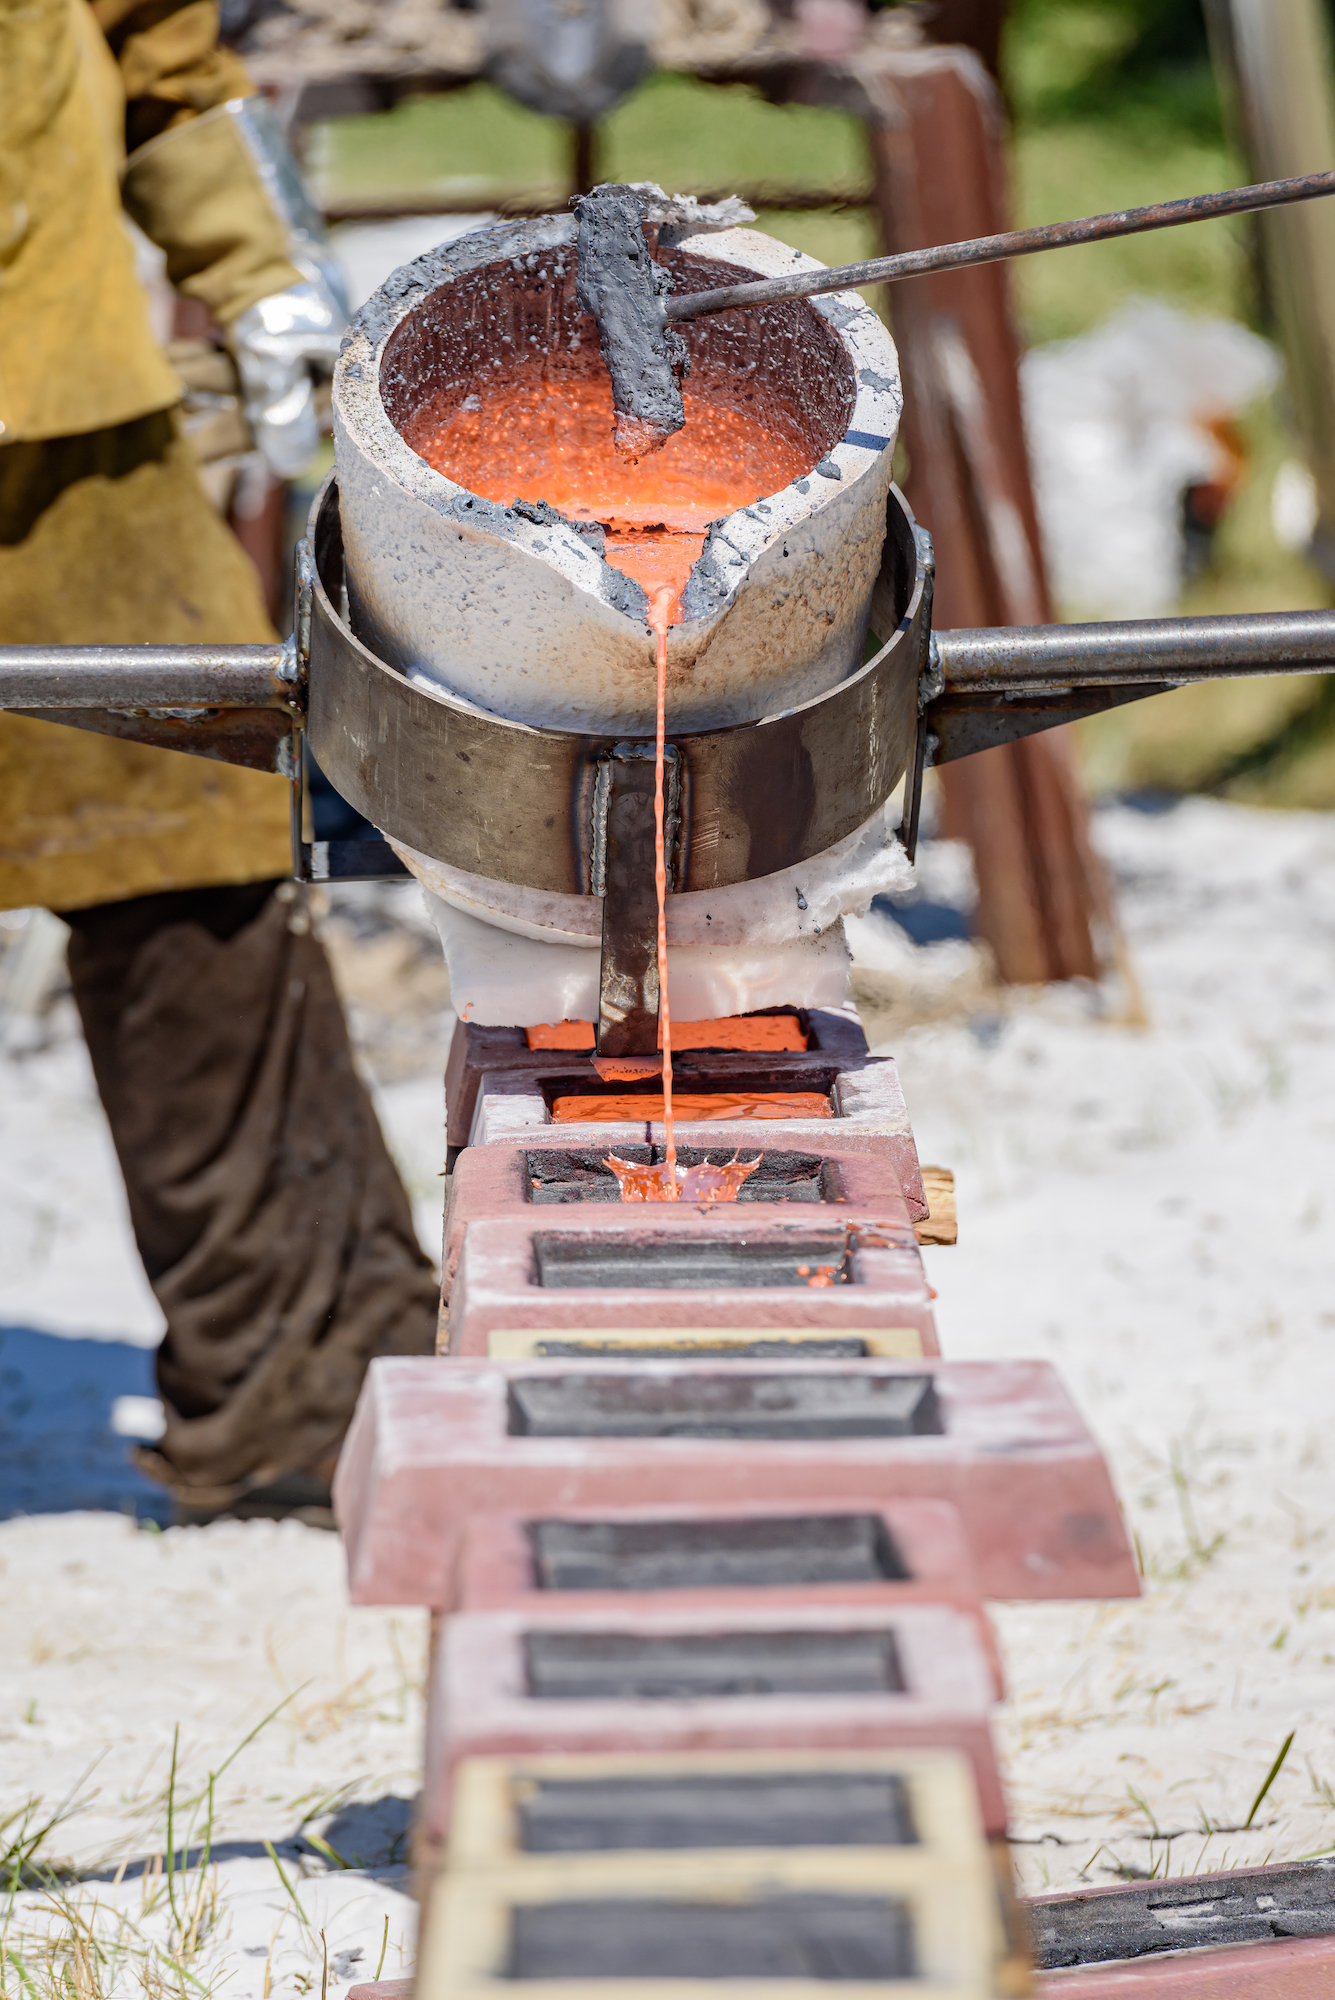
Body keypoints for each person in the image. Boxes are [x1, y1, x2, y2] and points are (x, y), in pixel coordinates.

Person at [0, 0, 440, 1518]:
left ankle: (306, 1388)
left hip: (58, 412)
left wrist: (265, 274)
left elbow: (158, 54)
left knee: (190, 850)